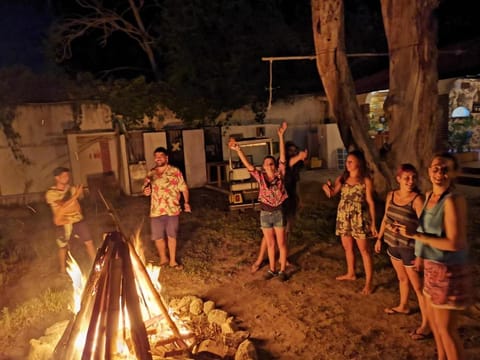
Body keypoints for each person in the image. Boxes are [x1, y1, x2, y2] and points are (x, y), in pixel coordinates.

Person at [398, 153, 472, 359]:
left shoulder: (452, 201)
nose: (439, 173)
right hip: (432, 268)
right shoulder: (430, 196)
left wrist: (417, 235)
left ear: (453, 173)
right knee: (438, 328)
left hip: (448, 271)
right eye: (435, 168)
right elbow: (424, 229)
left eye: (445, 169)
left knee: (447, 330)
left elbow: (455, 242)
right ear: (429, 171)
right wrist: (420, 256)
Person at [374, 164, 430, 340]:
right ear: (398, 179)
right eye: (406, 177)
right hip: (393, 244)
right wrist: (379, 237)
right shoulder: (391, 195)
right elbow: (386, 217)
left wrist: (418, 247)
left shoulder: (417, 200)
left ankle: (427, 324)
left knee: (418, 287)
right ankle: (403, 305)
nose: (410, 181)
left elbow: (425, 227)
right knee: (402, 278)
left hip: (410, 248)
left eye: (413, 177)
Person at [229, 122, 289, 281]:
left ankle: (282, 270)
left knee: (281, 243)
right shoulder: (260, 177)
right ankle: (272, 269)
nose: (270, 165)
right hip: (265, 213)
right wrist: (238, 150)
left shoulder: (280, 175)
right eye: (267, 163)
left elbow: (283, 158)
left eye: (272, 163)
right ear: (263, 167)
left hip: (278, 212)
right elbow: (248, 165)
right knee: (270, 244)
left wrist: (281, 136)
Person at [322, 150, 377, 294]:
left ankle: (369, 282)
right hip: (343, 217)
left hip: (359, 217)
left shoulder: (365, 180)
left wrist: (373, 223)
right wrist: (327, 188)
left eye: (351, 161)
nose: (347, 164)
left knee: (364, 250)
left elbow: (370, 202)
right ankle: (351, 273)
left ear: (359, 163)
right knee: (348, 247)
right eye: (347, 161)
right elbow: (332, 194)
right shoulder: (342, 178)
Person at [250, 141, 308, 273]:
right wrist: (300, 156)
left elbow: (295, 183)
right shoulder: (279, 166)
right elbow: (290, 162)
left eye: (295, 150)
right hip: (278, 204)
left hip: (289, 201)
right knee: (269, 235)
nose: (293, 152)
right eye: (291, 150)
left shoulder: (294, 168)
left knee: (285, 232)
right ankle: (259, 260)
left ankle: (282, 259)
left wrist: (299, 198)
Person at [143, 146, 190, 270]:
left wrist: (186, 202)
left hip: (171, 209)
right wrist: (146, 191)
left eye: (160, 156)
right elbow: (145, 189)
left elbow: (183, 188)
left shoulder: (175, 171)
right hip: (156, 210)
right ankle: (163, 258)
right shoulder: (151, 173)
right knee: (158, 237)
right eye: (156, 157)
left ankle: (173, 261)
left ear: (166, 158)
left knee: (171, 235)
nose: (158, 159)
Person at [45, 167, 97, 273]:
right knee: (63, 246)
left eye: (67, 176)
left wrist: (71, 203)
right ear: (57, 178)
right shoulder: (51, 193)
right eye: (63, 176)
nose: (66, 178)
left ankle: (97, 264)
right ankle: (63, 270)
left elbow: (76, 207)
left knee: (89, 242)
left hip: (77, 220)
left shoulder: (71, 189)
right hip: (63, 222)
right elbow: (63, 205)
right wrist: (75, 197)